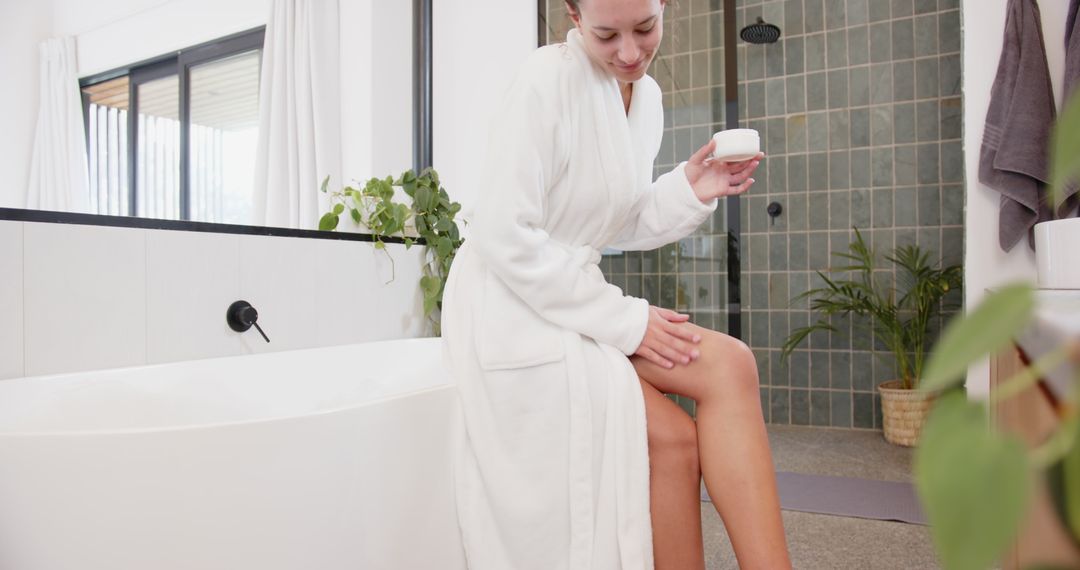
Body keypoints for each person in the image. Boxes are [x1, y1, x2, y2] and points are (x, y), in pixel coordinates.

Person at [440, 0, 792, 568]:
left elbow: (611, 220)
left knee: (729, 369)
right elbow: (504, 233)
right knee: (672, 440)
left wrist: (690, 187)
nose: (629, 53)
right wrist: (626, 321)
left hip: (567, 301)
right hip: (509, 306)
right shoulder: (546, 81)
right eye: (607, 34)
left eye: (645, 29)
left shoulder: (643, 96)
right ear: (574, 16)